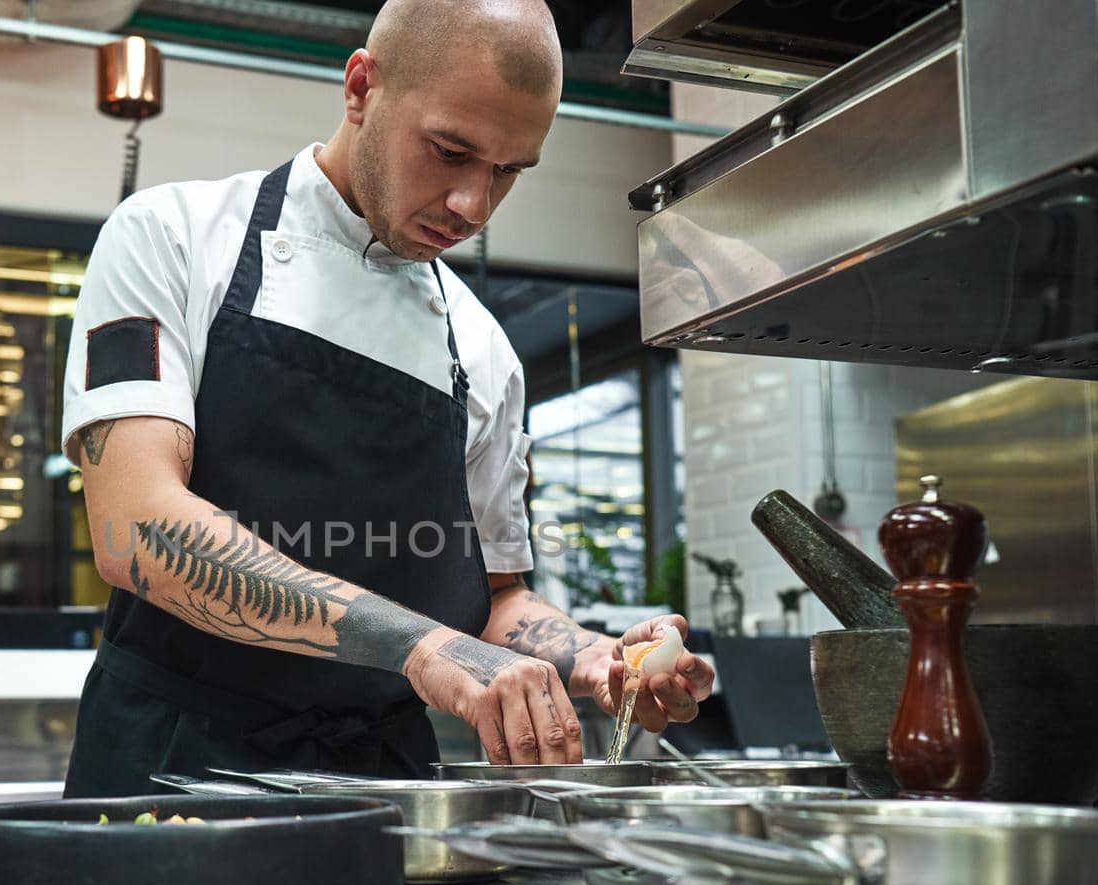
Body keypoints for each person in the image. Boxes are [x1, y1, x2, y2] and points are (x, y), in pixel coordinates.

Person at [60, 0, 715, 797]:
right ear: (362, 88)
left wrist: (599, 658)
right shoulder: (173, 237)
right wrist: (420, 648)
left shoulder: (483, 352)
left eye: (508, 171)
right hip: (173, 776)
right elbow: (137, 531)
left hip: (385, 793)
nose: (473, 205)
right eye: (450, 151)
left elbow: (492, 596)